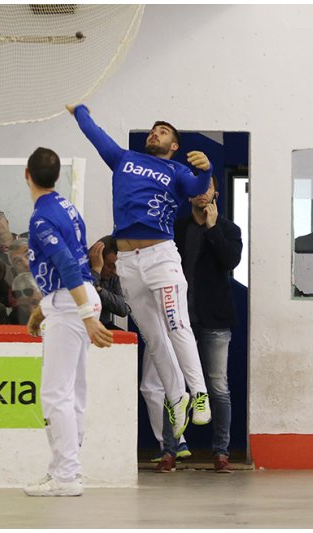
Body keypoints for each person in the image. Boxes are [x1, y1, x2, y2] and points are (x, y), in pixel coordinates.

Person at [67, 103, 212, 442]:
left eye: (162, 132)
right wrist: (80, 111)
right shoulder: (123, 159)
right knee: (153, 337)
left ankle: (199, 392)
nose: (154, 134)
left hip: (160, 256)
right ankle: (177, 398)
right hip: (129, 262)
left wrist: (205, 170)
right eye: (152, 130)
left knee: (177, 325)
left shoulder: (176, 170)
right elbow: (95, 135)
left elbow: (197, 191)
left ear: (173, 145)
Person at [21, 147, 113, 498]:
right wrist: (44, 308)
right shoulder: (67, 207)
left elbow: (67, 265)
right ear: (56, 176)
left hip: (74, 304)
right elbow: (73, 263)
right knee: (73, 392)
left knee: (55, 393)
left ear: (26, 174)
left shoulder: (41, 217)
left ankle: (65, 476)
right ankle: (66, 470)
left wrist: (86, 317)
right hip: (75, 299)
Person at [144, 176, 243, 473]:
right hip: (177, 317)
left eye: (208, 188)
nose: (202, 193)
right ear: (188, 196)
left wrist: (212, 229)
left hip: (215, 317)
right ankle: (169, 451)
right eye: (197, 189)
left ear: (215, 192)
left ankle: (221, 452)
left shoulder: (228, 229)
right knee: (170, 383)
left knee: (218, 386)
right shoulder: (176, 230)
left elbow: (230, 262)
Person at [88, 235, 130, 330]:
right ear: (98, 259)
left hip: (104, 325)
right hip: (83, 325)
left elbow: (123, 309)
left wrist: (99, 290)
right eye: (110, 266)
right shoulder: (82, 268)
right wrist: (96, 270)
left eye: (116, 266)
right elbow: (86, 298)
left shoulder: (114, 274)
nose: (114, 271)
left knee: (126, 337)